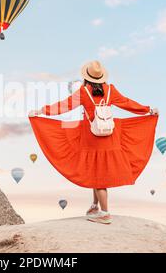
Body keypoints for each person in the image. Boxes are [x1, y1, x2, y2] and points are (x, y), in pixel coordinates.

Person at [29, 61, 159, 224]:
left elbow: (64, 106)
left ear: (86, 77)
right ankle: (94, 206)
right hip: (109, 136)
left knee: (99, 176)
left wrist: (42, 111)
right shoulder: (110, 90)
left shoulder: (84, 92)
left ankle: (104, 213)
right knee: (96, 172)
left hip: (92, 136)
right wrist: (147, 109)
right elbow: (127, 103)